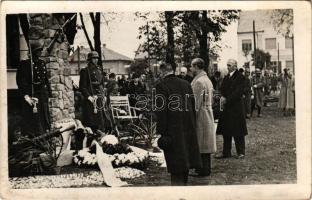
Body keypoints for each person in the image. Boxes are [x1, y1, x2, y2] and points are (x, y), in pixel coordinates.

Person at [155, 62, 202, 186]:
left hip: (172, 131)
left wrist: (161, 131)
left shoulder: (161, 86)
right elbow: (192, 106)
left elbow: (161, 111)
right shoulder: (186, 84)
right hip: (187, 128)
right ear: (173, 71)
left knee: (175, 165)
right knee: (185, 161)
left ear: (162, 72)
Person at [16, 43, 52, 137]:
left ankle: (45, 135)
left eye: (40, 50)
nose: (40, 52)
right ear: (33, 52)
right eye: (38, 50)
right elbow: (21, 81)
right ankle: (35, 137)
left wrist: (49, 93)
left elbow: (45, 80)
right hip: (33, 94)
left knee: (44, 116)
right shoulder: (25, 64)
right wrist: (26, 95)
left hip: (42, 94)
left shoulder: (42, 63)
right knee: (34, 118)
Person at [215, 59, 248, 159]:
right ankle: (226, 152)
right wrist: (220, 96)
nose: (228, 67)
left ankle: (241, 152)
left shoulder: (240, 77)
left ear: (235, 66)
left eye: (229, 65)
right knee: (226, 130)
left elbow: (238, 92)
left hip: (236, 107)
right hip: (227, 108)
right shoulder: (226, 77)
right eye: (227, 65)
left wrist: (227, 99)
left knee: (238, 131)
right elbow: (223, 89)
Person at [189, 58, 216, 176]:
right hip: (207, 113)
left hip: (201, 116)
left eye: (191, 66)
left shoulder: (199, 82)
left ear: (196, 67)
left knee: (202, 143)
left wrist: (190, 118)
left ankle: (203, 170)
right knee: (205, 143)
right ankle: (204, 169)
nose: (190, 69)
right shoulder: (207, 80)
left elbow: (195, 103)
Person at [79, 51, 112, 133]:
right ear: (90, 59)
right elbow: (82, 87)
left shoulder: (99, 69)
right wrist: (88, 97)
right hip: (91, 99)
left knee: (102, 119)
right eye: (94, 58)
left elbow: (101, 84)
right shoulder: (85, 71)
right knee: (92, 121)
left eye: (97, 58)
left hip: (100, 98)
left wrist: (104, 94)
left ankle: (102, 134)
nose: (96, 60)